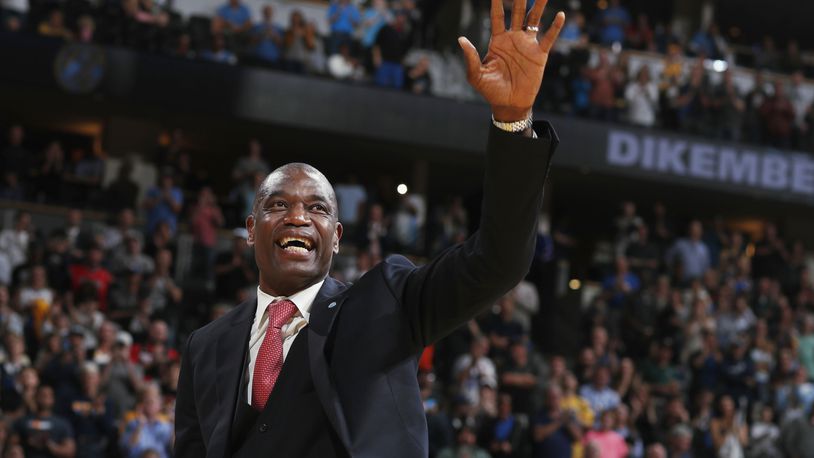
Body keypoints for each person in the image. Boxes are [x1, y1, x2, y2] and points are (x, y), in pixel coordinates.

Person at [175, 1, 565, 456]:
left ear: (336, 237)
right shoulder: (205, 347)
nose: (297, 216)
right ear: (250, 228)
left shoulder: (386, 303)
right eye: (278, 204)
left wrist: (512, 121)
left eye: (317, 208)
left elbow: (498, 262)